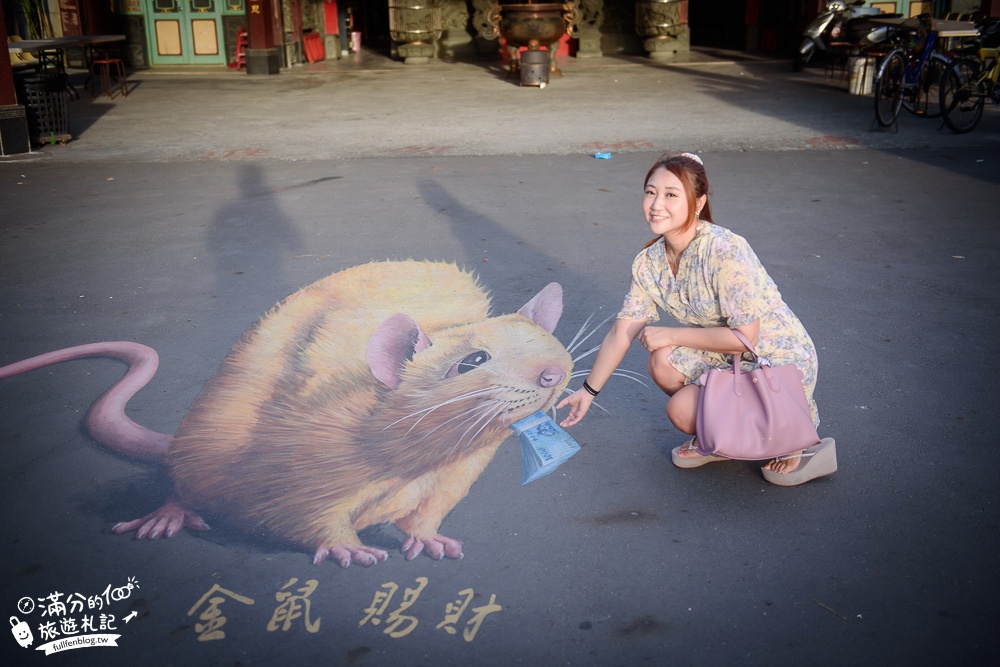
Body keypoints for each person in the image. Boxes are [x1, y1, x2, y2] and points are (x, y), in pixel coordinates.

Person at [557, 152, 836, 486]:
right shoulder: (649, 263)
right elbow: (622, 332)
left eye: (671, 195)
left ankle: (802, 442)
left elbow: (745, 336)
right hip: (727, 356)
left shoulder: (724, 249)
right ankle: (725, 440)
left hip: (776, 361)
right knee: (662, 362)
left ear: (699, 202)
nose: (656, 204)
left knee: (681, 406)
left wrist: (672, 335)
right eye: (650, 192)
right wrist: (588, 391)